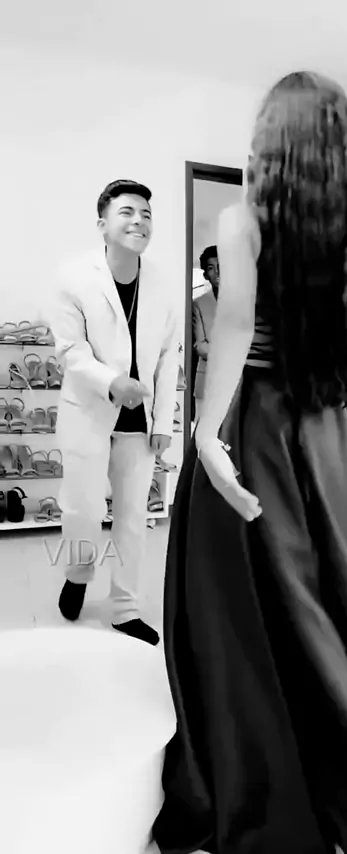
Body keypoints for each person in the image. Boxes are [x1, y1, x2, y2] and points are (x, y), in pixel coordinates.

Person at [154, 74, 347, 853]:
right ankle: (346, 742)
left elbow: (232, 329)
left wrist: (206, 434)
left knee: (242, 599)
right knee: (326, 592)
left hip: (255, 427)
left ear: (271, 144)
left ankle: (265, 748)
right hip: (324, 438)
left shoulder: (243, 221)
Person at [51, 179, 179, 646]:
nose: (139, 221)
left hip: (138, 426)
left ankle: (125, 607)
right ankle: (78, 574)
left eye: (146, 214)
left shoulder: (163, 283)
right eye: (127, 212)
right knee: (82, 510)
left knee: (132, 519)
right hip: (88, 412)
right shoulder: (73, 276)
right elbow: (70, 350)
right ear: (102, 224)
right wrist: (112, 382)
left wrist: (163, 422)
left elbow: (169, 357)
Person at [192, 245, 220, 421]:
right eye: (211, 268)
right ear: (205, 275)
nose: (217, 272)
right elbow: (200, 346)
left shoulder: (243, 302)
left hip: (239, 384)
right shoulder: (199, 304)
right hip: (207, 381)